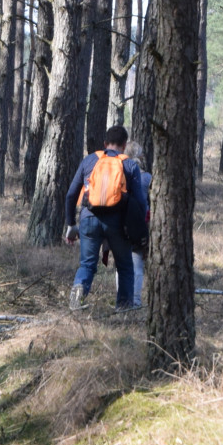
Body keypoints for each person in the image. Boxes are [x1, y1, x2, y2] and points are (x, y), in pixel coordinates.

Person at [64, 125, 147, 312]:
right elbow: (140, 202)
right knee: (125, 265)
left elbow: (71, 195)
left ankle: (77, 296)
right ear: (124, 145)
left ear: (104, 143)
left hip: (88, 220)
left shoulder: (90, 160)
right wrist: (138, 229)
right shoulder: (130, 165)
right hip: (117, 224)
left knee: (87, 264)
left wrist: (71, 224)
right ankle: (124, 308)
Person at [120, 141, 152, 307]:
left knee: (121, 262)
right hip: (140, 223)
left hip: (120, 221)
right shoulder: (146, 177)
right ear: (140, 156)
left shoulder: (121, 174)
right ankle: (136, 301)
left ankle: (123, 300)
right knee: (137, 262)